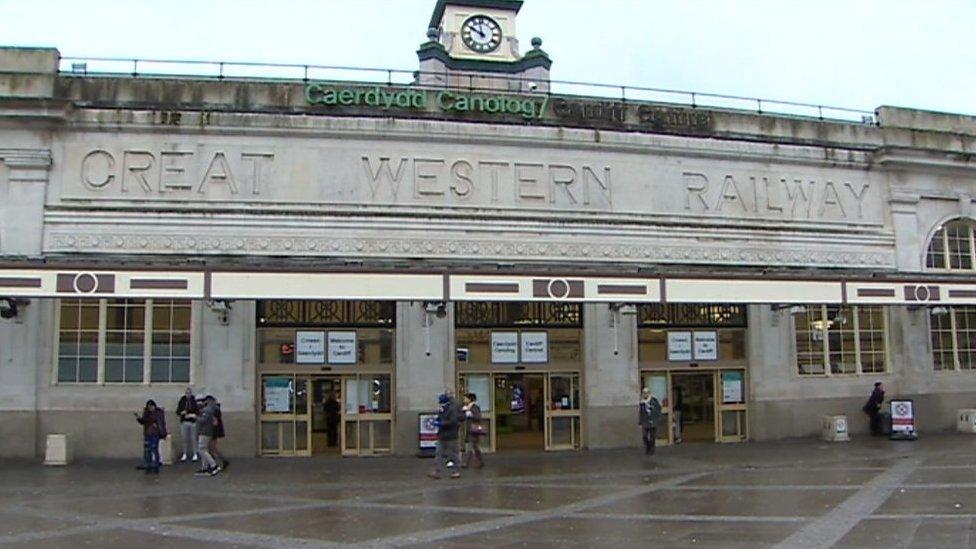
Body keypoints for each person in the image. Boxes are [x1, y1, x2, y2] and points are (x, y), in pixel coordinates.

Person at [428, 391, 462, 480]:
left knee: (453, 454)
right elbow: (440, 418)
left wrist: (440, 423)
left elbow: (453, 421)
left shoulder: (452, 409)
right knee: (439, 453)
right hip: (442, 435)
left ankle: (456, 470)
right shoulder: (442, 410)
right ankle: (436, 470)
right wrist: (437, 421)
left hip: (451, 435)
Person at [135, 399, 167, 474]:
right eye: (149, 407)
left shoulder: (158, 413)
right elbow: (143, 421)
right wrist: (138, 418)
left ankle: (156, 466)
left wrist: (162, 432)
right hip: (147, 434)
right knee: (147, 451)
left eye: (151, 406)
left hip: (155, 434)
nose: (150, 408)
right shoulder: (146, 413)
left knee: (154, 450)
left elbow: (161, 423)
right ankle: (148, 466)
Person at [195, 395, 220, 476]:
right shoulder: (210, 409)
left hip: (205, 432)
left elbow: (203, 420)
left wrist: (195, 417)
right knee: (204, 449)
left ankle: (213, 465)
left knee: (201, 449)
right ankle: (204, 468)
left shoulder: (207, 410)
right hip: (206, 432)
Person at [461, 393, 484, 469]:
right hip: (470, 429)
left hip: (474, 429)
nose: (464, 400)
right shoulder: (466, 407)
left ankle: (465, 462)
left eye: (465, 398)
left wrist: (470, 414)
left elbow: (478, 417)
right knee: (475, 447)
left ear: (470, 399)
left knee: (470, 446)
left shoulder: (475, 408)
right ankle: (480, 461)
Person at [176, 387, 199, 463]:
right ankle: (184, 453)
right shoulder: (182, 401)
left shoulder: (194, 401)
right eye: (187, 393)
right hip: (184, 422)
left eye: (189, 393)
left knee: (194, 438)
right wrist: (181, 413)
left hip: (192, 422)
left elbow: (197, 412)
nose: (188, 394)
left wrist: (193, 415)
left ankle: (195, 453)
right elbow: (178, 411)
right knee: (184, 438)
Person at [638, 387, 662, 455]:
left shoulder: (654, 400)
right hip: (645, 421)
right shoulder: (642, 402)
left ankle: (652, 450)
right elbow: (641, 412)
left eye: (646, 393)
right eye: (644, 393)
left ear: (649, 393)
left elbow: (659, 409)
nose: (645, 394)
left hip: (653, 421)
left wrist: (657, 418)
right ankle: (648, 447)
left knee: (652, 437)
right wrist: (640, 421)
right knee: (644, 436)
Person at [209, 396, 229, 470]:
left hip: (214, 431)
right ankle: (213, 462)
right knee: (211, 447)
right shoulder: (216, 408)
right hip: (215, 430)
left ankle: (221, 461)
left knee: (212, 447)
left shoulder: (214, 409)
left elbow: (215, 422)